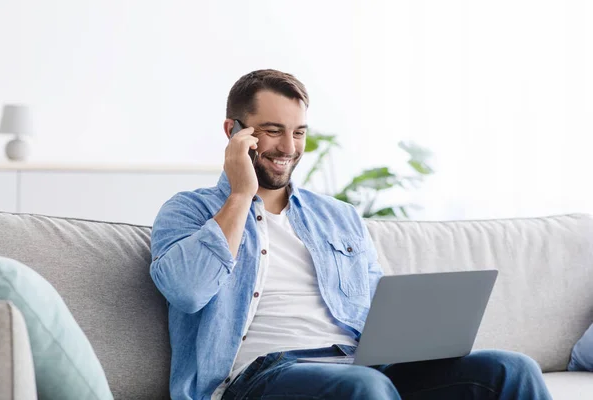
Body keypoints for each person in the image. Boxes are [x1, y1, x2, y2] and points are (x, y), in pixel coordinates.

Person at [150, 69, 553, 400]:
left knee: (511, 369)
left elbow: (379, 307)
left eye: (300, 132)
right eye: (273, 131)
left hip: (361, 365)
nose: (289, 147)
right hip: (263, 375)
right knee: (366, 388)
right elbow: (188, 291)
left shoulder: (338, 216)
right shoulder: (189, 211)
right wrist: (241, 194)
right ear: (234, 131)